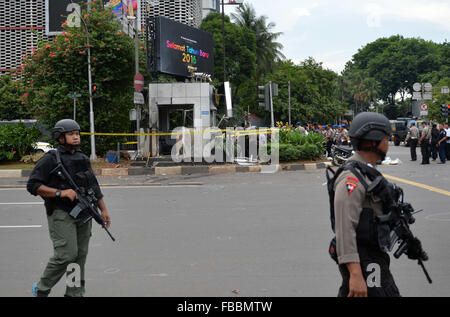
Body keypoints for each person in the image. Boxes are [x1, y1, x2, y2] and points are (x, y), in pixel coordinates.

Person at [27, 119, 111, 297]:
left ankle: (74, 292)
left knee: (79, 256)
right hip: (61, 212)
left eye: (77, 134)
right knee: (66, 254)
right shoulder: (51, 159)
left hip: (84, 212)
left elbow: (93, 186)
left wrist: (103, 209)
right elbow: (33, 185)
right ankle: (41, 288)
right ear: (60, 138)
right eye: (71, 134)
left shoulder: (82, 158)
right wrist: (60, 193)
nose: (76, 137)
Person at [328, 112, 401, 297]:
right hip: (364, 260)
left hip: (374, 256)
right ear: (373, 140)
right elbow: (345, 228)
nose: (388, 143)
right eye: (386, 138)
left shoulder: (368, 173)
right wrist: (355, 273)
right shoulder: (351, 179)